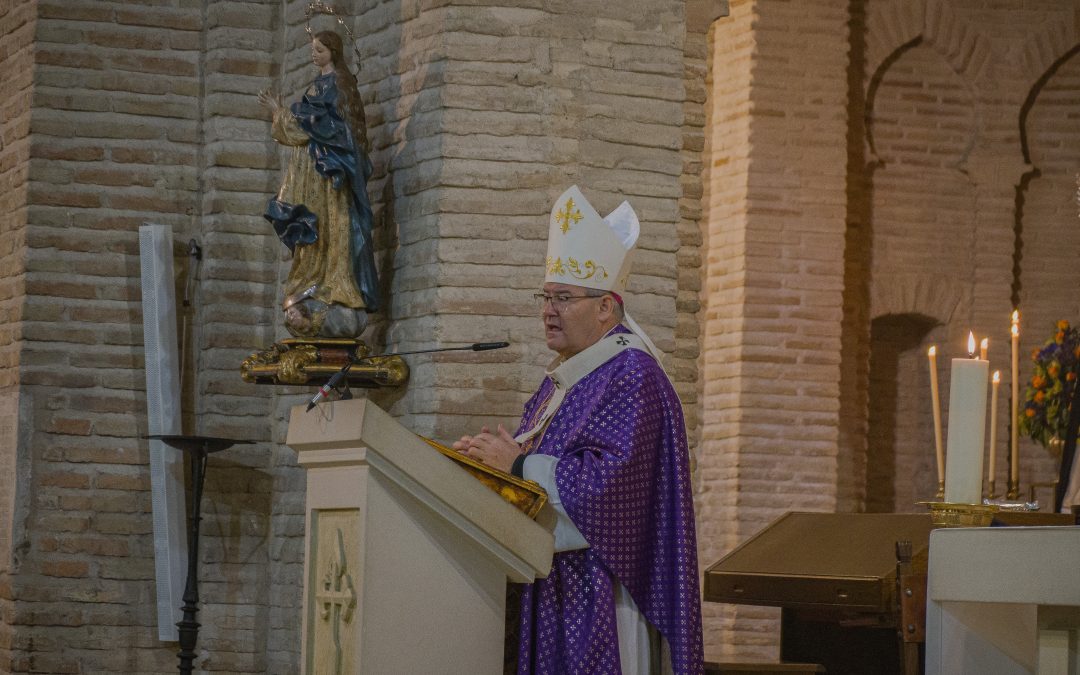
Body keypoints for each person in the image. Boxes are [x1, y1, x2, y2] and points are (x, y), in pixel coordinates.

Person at [455, 186, 705, 674]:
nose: (548, 310)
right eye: (545, 297)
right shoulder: (568, 378)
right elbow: (532, 469)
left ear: (606, 307)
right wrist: (485, 469)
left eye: (563, 298)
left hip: (606, 593)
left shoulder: (633, 374)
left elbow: (613, 488)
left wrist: (519, 465)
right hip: (558, 585)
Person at [259, 30, 379, 338]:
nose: (315, 55)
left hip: (331, 178)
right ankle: (312, 288)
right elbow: (308, 129)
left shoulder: (340, 87)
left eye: (320, 50)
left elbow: (329, 130)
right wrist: (287, 116)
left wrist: (281, 113)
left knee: (331, 231)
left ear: (334, 52)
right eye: (313, 49)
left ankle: (335, 289)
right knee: (313, 235)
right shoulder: (319, 86)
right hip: (313, 177)